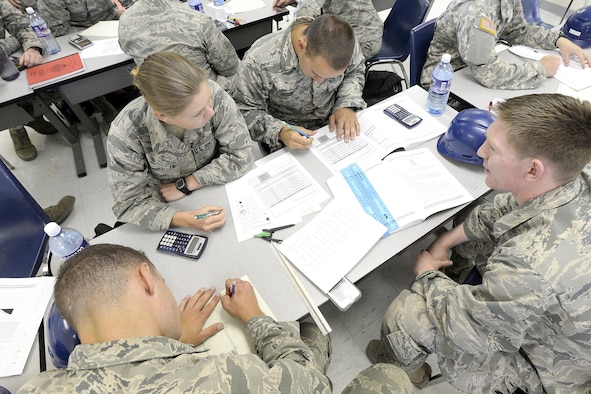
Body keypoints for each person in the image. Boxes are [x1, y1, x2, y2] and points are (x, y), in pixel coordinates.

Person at [365, 94, 591, 392]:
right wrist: (446, 239)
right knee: (473, 227)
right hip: (559, 316)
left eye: (493, 149)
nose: (481, 151)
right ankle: (462, 281)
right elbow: (508, 209)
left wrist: (427, 274)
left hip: (547, 372)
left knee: (407, 313)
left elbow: (466, 327)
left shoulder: (529, 266)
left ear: (533, 170)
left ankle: (403, 374)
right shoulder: (574, 177)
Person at [17, 243, 332, 393]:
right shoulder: (227, 378)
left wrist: (170, 346)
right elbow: (312, 381)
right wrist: (255, 317)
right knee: (313, 333)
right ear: (146, 279)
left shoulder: (35, 389)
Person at [107, 51, 253, 231]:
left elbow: (242, 153)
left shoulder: (211, 92)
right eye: (198, 113)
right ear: (162, 116)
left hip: (219, 188)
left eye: (208, 101)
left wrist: (189, 183)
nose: (211, 112)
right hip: (170, 206)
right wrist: (186, 219)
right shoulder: (126, 132)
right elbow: (130, 204)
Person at [233, 14, 366, 153]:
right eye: (316, 73)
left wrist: (346, 104)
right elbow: (244, 110)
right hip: (288, 137)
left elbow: (355, 70)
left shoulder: (343, 42)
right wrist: (280, 131)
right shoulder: (258, 61)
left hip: (332, 129)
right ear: (301, 45)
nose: (320, 81)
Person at [421, 0, 591, 89]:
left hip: (472, 73)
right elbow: (486, 72)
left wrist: (558, 40)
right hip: (446, 88)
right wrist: (540, 69)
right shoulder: (476, 12)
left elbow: (517, 31)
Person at [118, 0, 240, 93]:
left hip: (160, 96)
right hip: (203, 95)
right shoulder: (197, 19)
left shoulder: (125, 20)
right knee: (242, 69)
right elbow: (230, 67)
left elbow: (126, 48)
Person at [0, 0, 60, 161]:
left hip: (7, 65)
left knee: (33, 86)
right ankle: (17, 131)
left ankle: (34, 118)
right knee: (6, 103)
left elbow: (23, 26)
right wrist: (13, 41)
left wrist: (33, 47)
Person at [273, 0, 383, 60]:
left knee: (307, 59)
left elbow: (308, 10)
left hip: (362, 38)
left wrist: (295, 37)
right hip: (349, 31)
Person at [36, 0, 134, 37]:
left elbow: (136, 3)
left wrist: (129, 13)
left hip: (114, 24)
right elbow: (58, 29)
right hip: (79, 35)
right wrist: (94, 32)